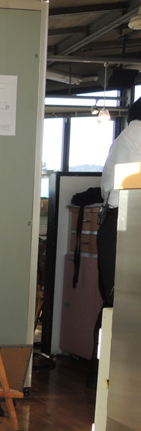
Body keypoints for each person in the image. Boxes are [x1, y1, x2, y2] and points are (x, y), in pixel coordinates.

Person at [98, 97, 141, 307]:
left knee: (115, 301)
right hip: (125, 222)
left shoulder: (128, 135)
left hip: (115, 220)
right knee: (121, 302)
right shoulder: (137, 134)